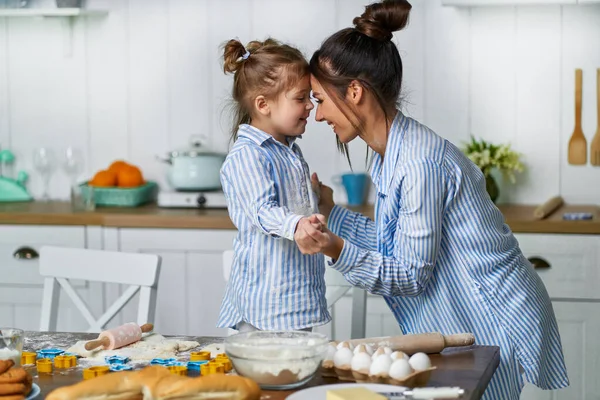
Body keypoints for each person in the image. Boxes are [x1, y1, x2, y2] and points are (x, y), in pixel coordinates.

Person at [297, 0, 569, 398]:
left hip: (492, 315)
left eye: (320, 99)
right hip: (467, 314)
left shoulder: (419, 162)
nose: (318, 116)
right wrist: (330, 212)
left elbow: (410, 273)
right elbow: (396, 244)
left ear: (354, 92)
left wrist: (336, 248)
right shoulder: (390, 151)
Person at [216, 38, 331, 333]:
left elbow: (285, 203)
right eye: (300, 98)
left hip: (294, 301)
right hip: (265, 306)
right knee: (268, 376)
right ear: (263, 104)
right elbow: (262, 210)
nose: (310, 106)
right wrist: (296, 225)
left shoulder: (288, 150)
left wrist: (312, 199)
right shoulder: (248, 155)